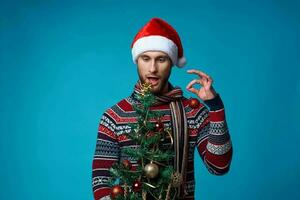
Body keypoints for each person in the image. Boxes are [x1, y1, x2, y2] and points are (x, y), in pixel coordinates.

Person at [92, 17, 233, 200]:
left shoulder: (192, 112)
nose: (152, 68)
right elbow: (101, 181)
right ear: (137, 61)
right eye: (146, 59)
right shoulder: (114, 116)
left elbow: (219, 166)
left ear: (171, 63)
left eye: (161, 59)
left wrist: (215, 107)